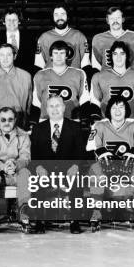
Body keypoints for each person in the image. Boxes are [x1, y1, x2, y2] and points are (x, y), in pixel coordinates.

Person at [85, 97, 134, 231]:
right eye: (114, 107)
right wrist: (104, 155)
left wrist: (131, 155)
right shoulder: (99, 125)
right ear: (109, 110)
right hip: (106, 167)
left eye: (121, 107)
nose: (117, 111)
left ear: (126, 109)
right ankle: (96, 211)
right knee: (95, 168)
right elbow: (91, 146)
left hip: (129, 166)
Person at [29, 95, 85, 234]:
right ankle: (40, 220)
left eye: (58, 105)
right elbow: (33, 153)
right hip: (46, 170)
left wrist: (75, 166)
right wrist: (38, 167)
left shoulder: (75, 127)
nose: (55, 109)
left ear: (64, 108)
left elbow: (80, 152)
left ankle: (75, 221)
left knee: (76, 180)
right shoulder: (38, 129)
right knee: (36, 179)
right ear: (47, 109)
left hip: (68, 169)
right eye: (51, 106)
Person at [0, 107, 31, 234]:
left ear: (15, 120)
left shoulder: (23, 135)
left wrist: (15, 165)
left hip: (16, 173)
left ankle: (23, 213)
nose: (6, 123)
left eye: (10, 119)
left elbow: (26, 158)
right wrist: (3, 167)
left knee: (25, 172)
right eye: (3, 120)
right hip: (0, 174)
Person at [31, 40, 90, 123]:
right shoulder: (40, 75)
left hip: (72, 121)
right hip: (46, 121)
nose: (58, 56)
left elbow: (84, 99)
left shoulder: (79, 73)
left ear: (67, 55)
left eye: (62, 53)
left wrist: (84, 120)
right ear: (51, 56)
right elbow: (36, 102)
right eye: (55, 53)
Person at [90, 41, 134, 118]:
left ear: (127, 56)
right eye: (115, 54)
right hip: (107, 123)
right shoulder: (98, 77)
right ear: (110, 56)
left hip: (131, 122)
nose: (118, 57)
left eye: (122, 54)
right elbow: (95, 102)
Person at [0, 43, 32, 131]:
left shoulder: (26, 76)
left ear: (14, 56)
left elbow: (29, 104)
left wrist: (28, 125)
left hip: (19, 128)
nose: (5, 58)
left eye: (9, 55)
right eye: (2, 55)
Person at [91, 6, 134, 71]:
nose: (115, 21)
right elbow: (96, 66)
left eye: (118, 18)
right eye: (112, 18)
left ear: (123, 19)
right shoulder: (98, 39)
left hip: (131, 78)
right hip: (107, 79)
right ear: (107, 21)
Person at [35, 4, 90, 70]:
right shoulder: (44, 37)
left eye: (62, 14)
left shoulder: (79, 36)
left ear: (68, 16)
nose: (59, 17)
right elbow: (39, 64)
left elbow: (85, 63)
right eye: (56, 14)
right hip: (51, 79)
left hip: (74, 78)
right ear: (52, 17)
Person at [0, 7, 36, 73]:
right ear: (4, 22)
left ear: (19, 21)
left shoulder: (30, 37)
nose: (12, 22)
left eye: (14, 20)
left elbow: (32, 60)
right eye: (9, 20)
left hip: (24, 75)